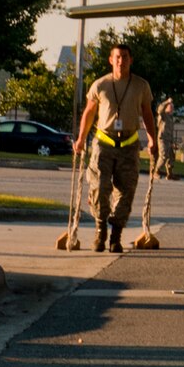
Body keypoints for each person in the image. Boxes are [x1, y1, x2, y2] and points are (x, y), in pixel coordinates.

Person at [71, 44, 159, 252]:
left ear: (131, 60)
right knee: (100, 188)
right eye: (118, 57)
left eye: (125, 57)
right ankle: (100, 231)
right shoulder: (100, 85)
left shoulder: (141, 86)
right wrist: (81, 139)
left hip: (129, 145)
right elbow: (89, 113)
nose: (122, 61)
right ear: (111, 60)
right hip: (104, 144)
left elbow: (147, 113)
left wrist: (152, 139)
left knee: (126, 191)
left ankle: (115, 236)